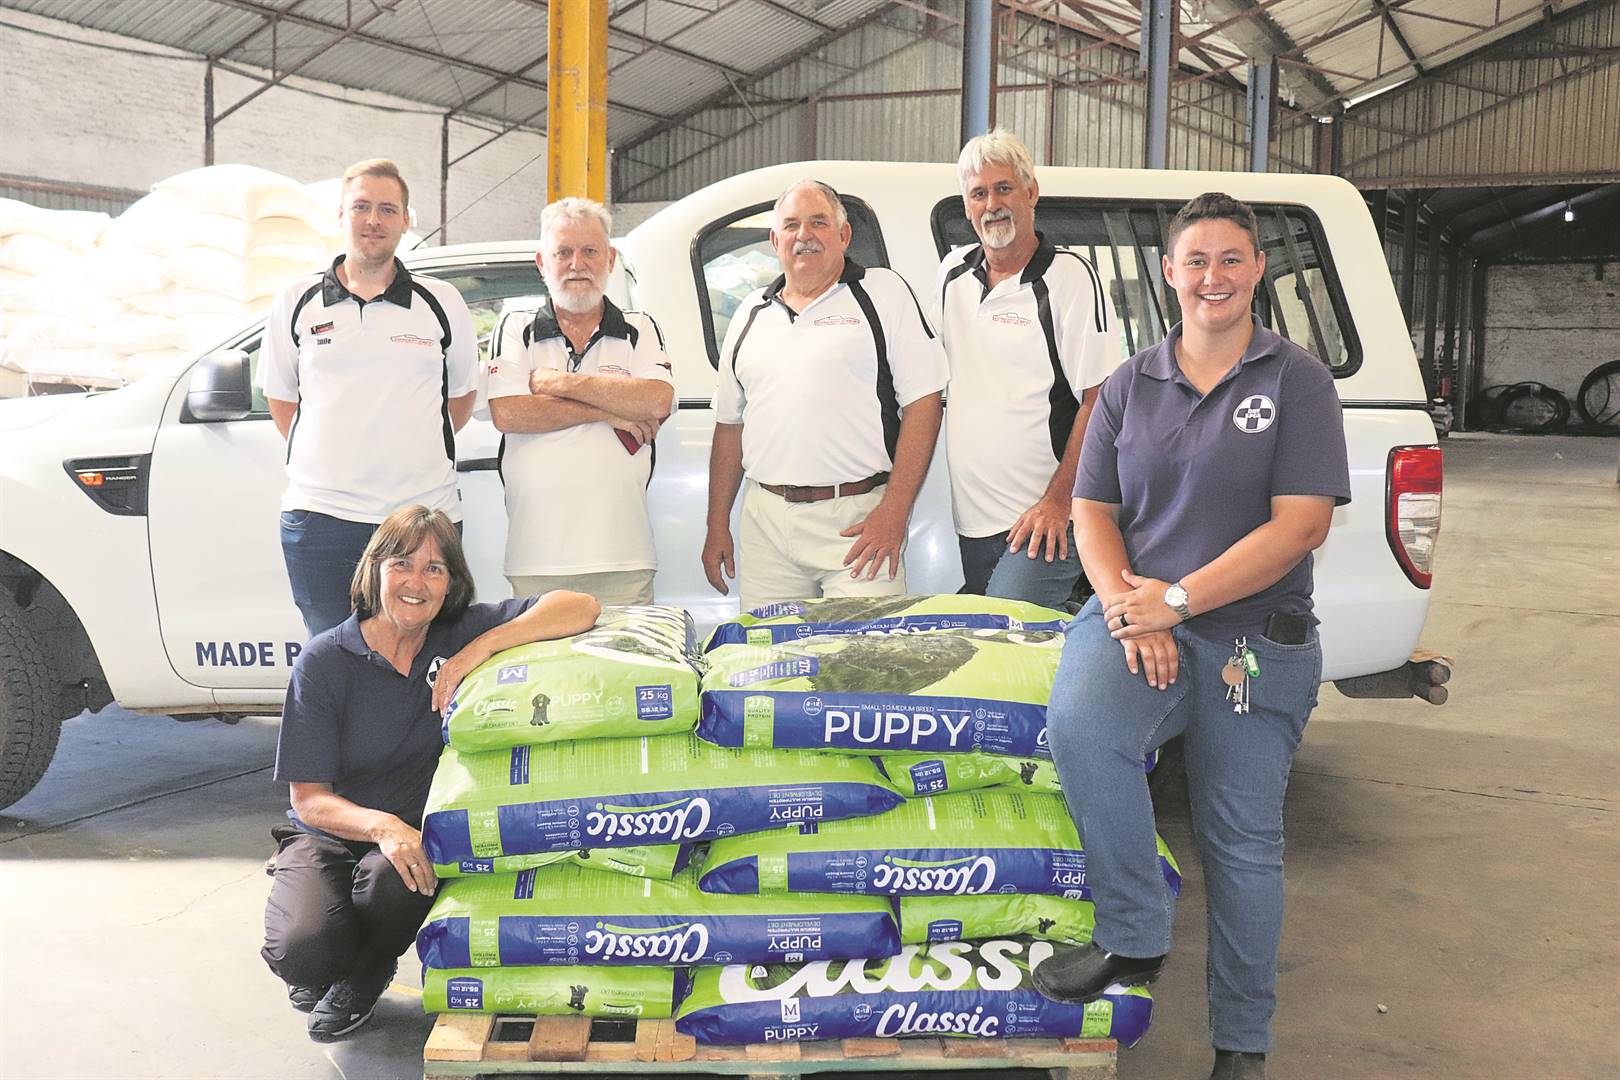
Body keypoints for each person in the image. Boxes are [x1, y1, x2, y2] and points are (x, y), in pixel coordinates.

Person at [1032, 194, 1351, 1080]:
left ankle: (1242, 1043)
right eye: (1196, 260)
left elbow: (1300, 526)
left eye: (1232, 259)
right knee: (1085, 731)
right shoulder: (1132, 382)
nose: (1213, 277)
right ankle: (1133, 937)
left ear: (1256, 272)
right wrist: (1129, 606)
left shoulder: (1298, 382)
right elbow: (1091, 508)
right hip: (1139, 612)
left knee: (1242, 842)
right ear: (1170, 274)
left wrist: (1177, 599)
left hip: (1254, 639)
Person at [260, 505, 599, 1041]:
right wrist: (382, 827)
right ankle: (326, 953)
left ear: (450, 584)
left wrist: (476, 651)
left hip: (416, 843)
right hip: (334, 832)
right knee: (304, 950)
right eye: (402, 564)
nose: (416, 582)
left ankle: (364, 975)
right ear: (374, 571)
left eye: (434, 569)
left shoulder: (457, 632)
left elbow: (579, 606)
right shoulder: (326, 660)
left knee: (396, 880)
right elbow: (309, 799)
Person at [703, 179, 948, 610]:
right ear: (774, 240)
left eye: (818, 222)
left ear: (844, 235)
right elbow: (729, 427)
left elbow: (924, 405)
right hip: (767, 527)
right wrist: (716, 524)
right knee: (771, 665)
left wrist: (894, 512)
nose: (805, 235)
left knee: (863, 665)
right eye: (792, 225)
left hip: (857, 522)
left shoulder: (883, 293)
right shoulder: (749, 314)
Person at [260, 159, 478, 638]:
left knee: (422, 656)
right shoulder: (296, 301)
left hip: (425, 516)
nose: (373, 220)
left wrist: (407, 446)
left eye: (387, 209)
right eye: (361, 207)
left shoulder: (440, 303)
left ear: (405, 220)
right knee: (332, 658)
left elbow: (460, 398)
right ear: (341, 215)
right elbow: (282, 401)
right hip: (322, 520)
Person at [937, 130, 1121, 609]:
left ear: (1031, 193)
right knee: (1004, 659)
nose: (992, 204)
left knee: (1008, 634)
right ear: (967, 205)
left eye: (1004, 188)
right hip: (973, 521)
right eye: (979, 194)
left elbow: (1100, 401)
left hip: (1046, 518)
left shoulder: (1069, 278)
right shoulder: (951, 276)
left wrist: (1059, 502)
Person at [485, 198, 674, 605]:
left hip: (624, 558)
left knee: (628, 670)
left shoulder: (639, 328)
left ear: (610, 260)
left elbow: (657, 401)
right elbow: (509, 412)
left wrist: (558, 382)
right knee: (540, 670)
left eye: (590, 251)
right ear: (541, 262)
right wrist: (610, 411)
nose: (577, 264)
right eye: (563, 252)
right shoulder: (516, 326)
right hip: (536, 561)